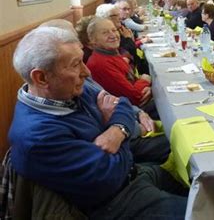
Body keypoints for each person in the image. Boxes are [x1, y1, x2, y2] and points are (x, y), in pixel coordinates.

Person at [9, 26, 187, 218]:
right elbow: (110, 177)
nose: (86, 72)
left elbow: (122, 103)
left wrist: (116, 131)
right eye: (76, 64)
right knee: (210, 213)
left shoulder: (68, 90)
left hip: (136, 174)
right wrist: (122, 132)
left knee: (205, 186)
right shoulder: (36, 136)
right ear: (41, 77)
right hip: (114, 203)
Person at [86, 18, 154, 113]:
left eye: (114, 30)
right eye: (105, 33)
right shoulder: (100, 63)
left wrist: (147, 87)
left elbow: (132, 82)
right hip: (130, 111)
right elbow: (135, 98)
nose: (113, 35)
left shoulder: (111, 53)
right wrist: (145, 80)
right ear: (93, 41)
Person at [96, 3, 150, 75]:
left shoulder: (120, 27)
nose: (119, 17)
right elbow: (130, 52)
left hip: (135, 65)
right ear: (106, 18)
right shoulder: (108, 37)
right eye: (116, 15)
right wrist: (129, 39)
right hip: (131, 69)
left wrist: (136, 41)